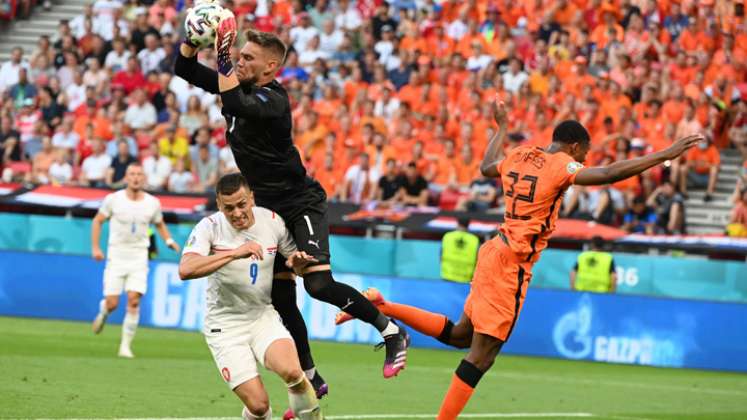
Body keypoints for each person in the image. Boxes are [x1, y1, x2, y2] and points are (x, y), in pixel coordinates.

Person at [336, 100, 703, 420]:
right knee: (482, 357)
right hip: (513, 262)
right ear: (574, 146)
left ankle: (383, 305)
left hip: (492, 250)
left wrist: (503, 127)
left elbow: (485, 166)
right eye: (584, 153)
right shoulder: (562, 165)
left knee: (463, 335)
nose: (584, 160)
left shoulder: (519, 154)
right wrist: (664, 154)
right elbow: (607, 174)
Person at [173, 24, 410, 395]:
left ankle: (391, 331)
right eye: (239, 54)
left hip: (300, 203)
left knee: (317, 284)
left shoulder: (274, 100)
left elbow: (236, 103)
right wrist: (192, 41)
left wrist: (220, 55)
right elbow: (183, 69)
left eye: (248, 57)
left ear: (270, 67)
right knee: (280, 297)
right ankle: (313, 377)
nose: (240, 60)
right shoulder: (237, 87)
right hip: (267, 208)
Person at [178, 173, 322, 420]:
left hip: (261, 317)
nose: (236, 213)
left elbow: (292, 263)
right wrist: (234, 253)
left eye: (242, 204)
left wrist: (296, 263)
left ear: (252, 198)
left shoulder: (272, 221)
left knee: (293, 373)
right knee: (259, 407)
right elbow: (186, 269)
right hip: (224, 328)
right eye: (229, 208)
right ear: (219, 205)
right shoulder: (209, 227)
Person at [90, 163, 181, 358]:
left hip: (139, 256)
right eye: (132, 174)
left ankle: (125, 346)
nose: (136, 178)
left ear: (144, 178)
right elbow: (98, 221)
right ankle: (104, 312)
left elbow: (159, 224)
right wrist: (96, 248)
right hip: (117, 256)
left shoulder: (152, 203)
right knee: (113, 303)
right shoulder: (113, 200)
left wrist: (169, 240)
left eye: (139, 174)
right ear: (126, 178)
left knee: (133, 300)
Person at [440, 218, 480, 283]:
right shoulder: (475, 240)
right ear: (468, 225)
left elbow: (441, 256)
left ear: (457, 223)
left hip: (447, 276)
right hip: (465, 279)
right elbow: (478, 260)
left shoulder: (447, 236)